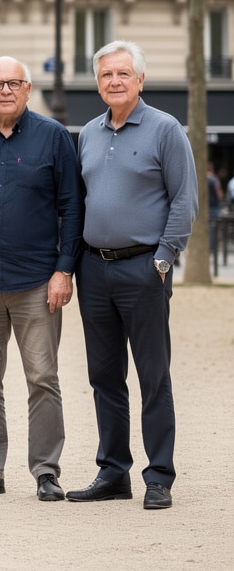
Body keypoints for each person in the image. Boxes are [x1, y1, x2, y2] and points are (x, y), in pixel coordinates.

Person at [68, 40, 196, 510]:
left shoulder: (165, 130)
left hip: (145, 269)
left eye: (124, 74)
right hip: (94, 270)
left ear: (140, 80)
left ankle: (159, 475)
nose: (115, 82)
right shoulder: (89, 133)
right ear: (98, 83)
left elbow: (184, 200)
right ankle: (113, 471)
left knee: (153, 376)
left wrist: (163, 259)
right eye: (106, 75)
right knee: (104, 376)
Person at [0, 56, 83, 502]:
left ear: (28, 89)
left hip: (37, 282)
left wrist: (64, 269)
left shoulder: (55, 138)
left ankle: (46, 471)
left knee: (43, 377)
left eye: (14, 83)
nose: (5, 90)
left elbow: (73, 207)